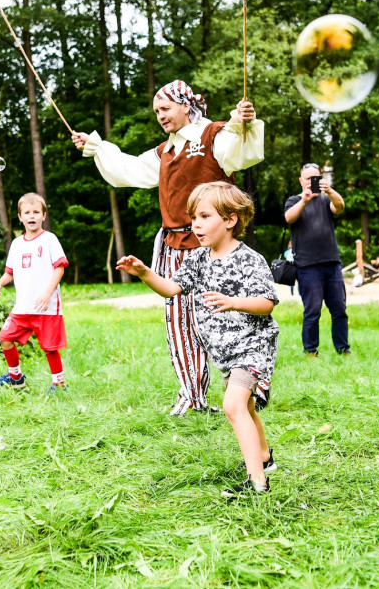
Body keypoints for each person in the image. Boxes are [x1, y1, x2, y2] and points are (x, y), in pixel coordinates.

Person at [72, 80, 265, 416]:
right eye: (156, 111)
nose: (160, 116)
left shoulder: (214, 136)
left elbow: (240, 151)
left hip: (212, 246)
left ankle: (245, 389)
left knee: (223, 317)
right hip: (172, 243)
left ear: (185, 105)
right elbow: (128, 168)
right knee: (180, 322)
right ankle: (191, 396)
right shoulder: (166, 150)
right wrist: (97, 146)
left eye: (165, 109)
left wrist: (243, 122)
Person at [118, 182, 279, 497]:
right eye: (194, 218)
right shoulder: (196, 260)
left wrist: (234, 302)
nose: (196, 224)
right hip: (225, 352)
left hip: (253, 346)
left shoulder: (250, 260)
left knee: (233, 405)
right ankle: (264, 456)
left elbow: (267, 302)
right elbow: (171, 288)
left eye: (205, 216)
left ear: (230, 219)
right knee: (246, 405)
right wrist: (144, 273)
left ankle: (258, 483)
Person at [0, 193, 69, 393]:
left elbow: (60, 267)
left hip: (46, 306)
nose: (31, 216)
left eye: (36, 212)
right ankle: (15, 377)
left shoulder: (49, 239)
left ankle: (58, 384)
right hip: (22, 307)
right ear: (20, 217)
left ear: (44, 215)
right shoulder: (16, 244)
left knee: (50, 348)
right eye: (27, 212)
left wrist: (47, 293)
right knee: (5, 338)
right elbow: (10, 272)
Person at [284, 162, 349, 356]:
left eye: (316, 178)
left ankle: (343, 348)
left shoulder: (325, 199)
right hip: (307, 266)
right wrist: (304, 200)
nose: (312, 181)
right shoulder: (294, 200)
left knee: (339, 309)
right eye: (308, 178)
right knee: (312, 311)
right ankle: (310, 351)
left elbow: (340, 207)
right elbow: (288, 218)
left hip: (332, 263)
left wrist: (330, 191)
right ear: (301, 180)